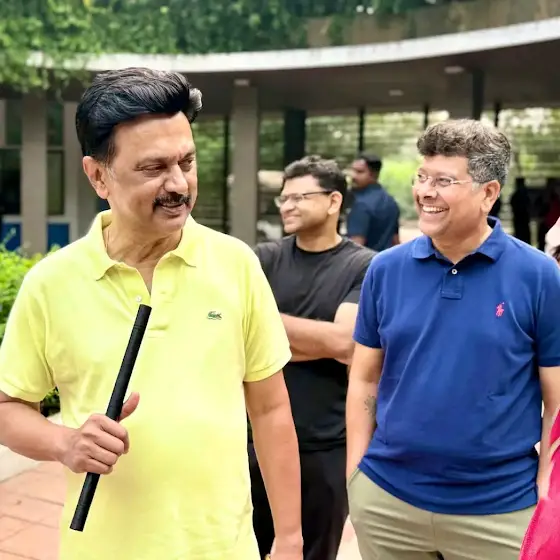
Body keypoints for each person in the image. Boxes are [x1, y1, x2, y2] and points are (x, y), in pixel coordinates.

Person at [0, 68, 303, 560]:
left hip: (223, 548)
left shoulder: (236, 264)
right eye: (153, 168)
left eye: (187, 161)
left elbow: (270, 410)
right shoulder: (50, 284)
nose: (179, 184)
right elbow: (8, 407)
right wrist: (64, 443)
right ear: (98, 176)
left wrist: (289, 539)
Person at [346, 119, 560, 560]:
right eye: (422, 177)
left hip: (502, 511)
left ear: (488, 193)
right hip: (387, 504)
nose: (425, 192)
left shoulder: (539, 276)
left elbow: (556, 398)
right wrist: (356, 475)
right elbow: (365, 377)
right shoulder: (385, 269)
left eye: (444, 181)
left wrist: (547, 487)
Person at [250, 155, 374, 560]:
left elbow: (347, 344)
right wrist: (315, 341)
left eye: (299, 197)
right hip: (257, 440)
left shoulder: (364, 266)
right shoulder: (262, 259)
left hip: (324, 443)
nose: (287, 206)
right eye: (283, 198)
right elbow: (236, 334)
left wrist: (265, 335)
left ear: (334, 201)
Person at [346, 153, 400, 251]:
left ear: (374, 175)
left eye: (359, 172)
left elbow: (355, 247)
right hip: (385, 258)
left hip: (366, 259)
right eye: (352, 170)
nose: (353, 175)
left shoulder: (360, 204)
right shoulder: (390, 201)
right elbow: (395, 241)